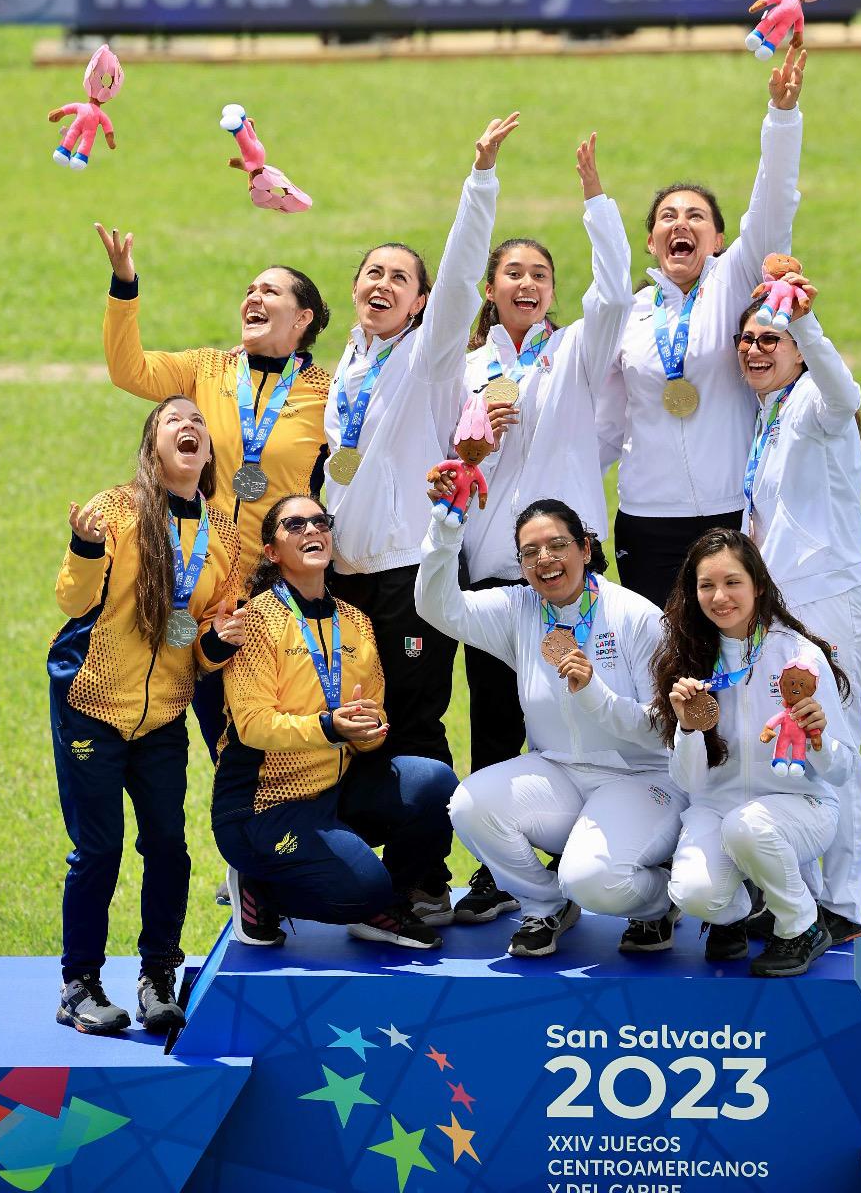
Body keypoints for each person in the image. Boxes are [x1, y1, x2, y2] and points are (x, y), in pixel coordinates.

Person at [324, 111, 519, 925]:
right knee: (350, 725)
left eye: (397, 278)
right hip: (342, 582)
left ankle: (422, 878)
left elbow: (466, 270)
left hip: (408, 577)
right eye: (371, 272)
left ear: (422, 301)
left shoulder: (431, 356)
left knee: (413, 726)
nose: (380, 284)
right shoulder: (349, 362)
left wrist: (480, 179)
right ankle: (348, 874)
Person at [443, 133, 633, 925]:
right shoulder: (463, 366)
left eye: (539, 275)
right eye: (513, 272)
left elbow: (614, 296)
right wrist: (471, 446)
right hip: (494, 568)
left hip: (569, 571)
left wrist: (595, 199)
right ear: (491, 288)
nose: (527, 282)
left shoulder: (575, 352)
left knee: (586, 711)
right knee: (495, 721)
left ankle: (602, 846)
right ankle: (503, 869)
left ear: (552, 292)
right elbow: (444, 461)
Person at [95, 225, 331, 762]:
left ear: (302, 319)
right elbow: (128, 369)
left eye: (270, 291)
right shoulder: (207, 369)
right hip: (206, 592)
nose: (253, 297)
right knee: (223, 747)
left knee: (278, 746)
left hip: (280, 594)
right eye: (250, 290)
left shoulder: (327, 393)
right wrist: (125, 285)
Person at [49, 396, 244, 1035]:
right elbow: (72, 600)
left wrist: (220, 641)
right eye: (172, 420)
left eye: (198, 422)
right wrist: (84, 548)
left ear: (208, 452)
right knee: (99, 848)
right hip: (91, 704)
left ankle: (158, 975)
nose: (188, 427)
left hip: (162, 715)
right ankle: (79, 986)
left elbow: (204, 646)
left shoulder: (224, 535)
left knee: (168, 847)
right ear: (152, 444)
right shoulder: (116, 510)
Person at [415, 498, 683, 959]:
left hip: (641, 779)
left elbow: (661, 728)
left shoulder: (635, 616)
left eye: (558, 545)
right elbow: (437, 606)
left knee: (592, 879)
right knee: (470, 804)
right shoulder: (519, 608)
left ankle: (661, 899)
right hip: (559, 771)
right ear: (520, 566)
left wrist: (595, 695)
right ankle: (545, 904)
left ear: (585, 548)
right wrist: (445, 527)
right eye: (530, 552)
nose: (545, 559)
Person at [596, 47, 807, 610]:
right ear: (651, 241)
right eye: (667, 216)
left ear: (718, 240)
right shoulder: (629, 315)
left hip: (729, 510)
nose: (680, 224)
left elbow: (771, 207)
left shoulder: (734, 283)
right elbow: (605, 425)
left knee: (734, 644)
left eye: (696, 217)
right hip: (646, 517)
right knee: (658, 651)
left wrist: (782, 118)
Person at [213, 496, 458, 952]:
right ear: (272, 552)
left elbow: (375, 711)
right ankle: (259, 884)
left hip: (337, 789)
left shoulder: (356, 621)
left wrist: (369, 730)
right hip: (264, 803)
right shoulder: (256, 621)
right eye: (295, 525)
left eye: (320, 522)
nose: (312, 530)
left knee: (435, 782)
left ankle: (389, 904)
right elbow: (253, 726)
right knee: (362, 889)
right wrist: (329, 726)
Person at [735, 275, 861, 944]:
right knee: (797, 749)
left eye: (770, 339)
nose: (754, 349)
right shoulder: (768, 415)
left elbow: (846, 392)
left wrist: (805, 321)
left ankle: (844, 903)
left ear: (797, 351)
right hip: (788, 611)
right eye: (746, 339)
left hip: (831, 603)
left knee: (836, 749)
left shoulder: (818, 408)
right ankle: (809, 896)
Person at [653, 528, 857, 977]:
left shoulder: (799, 658)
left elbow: (842, 772)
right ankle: (742, 909)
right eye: (706, 585)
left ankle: (801, 925)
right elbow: (688, 782)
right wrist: (687, 728)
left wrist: (819, 741)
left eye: (733, 582)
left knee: (747, 828)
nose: (719, 597)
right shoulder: (687, 659)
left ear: (758, 585)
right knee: (693, 895)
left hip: (800, 808)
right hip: (716, 807)